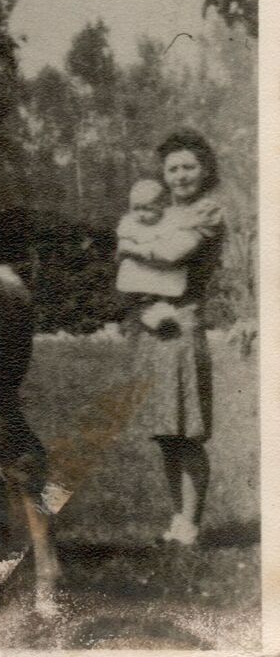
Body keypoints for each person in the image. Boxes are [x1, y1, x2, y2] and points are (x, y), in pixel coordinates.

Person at [119, 129, 226, 546]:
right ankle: (177, 520)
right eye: (173, 168)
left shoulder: (208, 212)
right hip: (152, 325)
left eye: (189, 167)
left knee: (188, 431)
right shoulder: (157, 214)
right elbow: (127, 276)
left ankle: (191, 524)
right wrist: (142, 308)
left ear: (205, 170)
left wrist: (130, 244)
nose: (181, 176)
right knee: (166, 432)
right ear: (163, 175)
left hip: (183, 324)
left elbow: (173, 255)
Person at [116, 178, 188, 332]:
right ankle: (138, 317)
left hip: (161, 269)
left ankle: (162, 316)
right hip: (138, 268)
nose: (141, 214)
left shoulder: (169, 223)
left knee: (164, 293)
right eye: (136, 209)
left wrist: (144, 249)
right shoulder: (129, 223)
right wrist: (136, 249)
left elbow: (171, 248)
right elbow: (124, 245)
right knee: (136, 294)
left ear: (162, 206)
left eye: (148, 209)